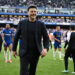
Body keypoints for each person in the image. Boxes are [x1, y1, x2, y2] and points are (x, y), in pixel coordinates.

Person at [12, 5, 49, 75]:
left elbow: (46, 38)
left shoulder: (41, 24)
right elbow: (16, 37)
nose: (33, 13)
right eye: (31, 11)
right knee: (23, 73)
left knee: (32, 72)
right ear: (28, 13)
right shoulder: (22, 23)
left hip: (35, 53)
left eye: (35, 11)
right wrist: (14, 49)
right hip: (24, 53)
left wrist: (46, 48)